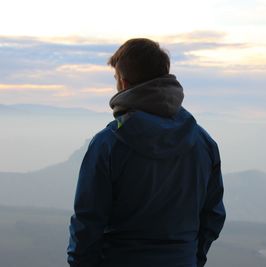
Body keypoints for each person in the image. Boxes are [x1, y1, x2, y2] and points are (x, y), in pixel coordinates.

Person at [67, 38, 226, 267]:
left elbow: (87, 223)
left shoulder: (108, 144)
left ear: (123, 81)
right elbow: (213, 216)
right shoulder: (203, 143)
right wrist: (191, 258)